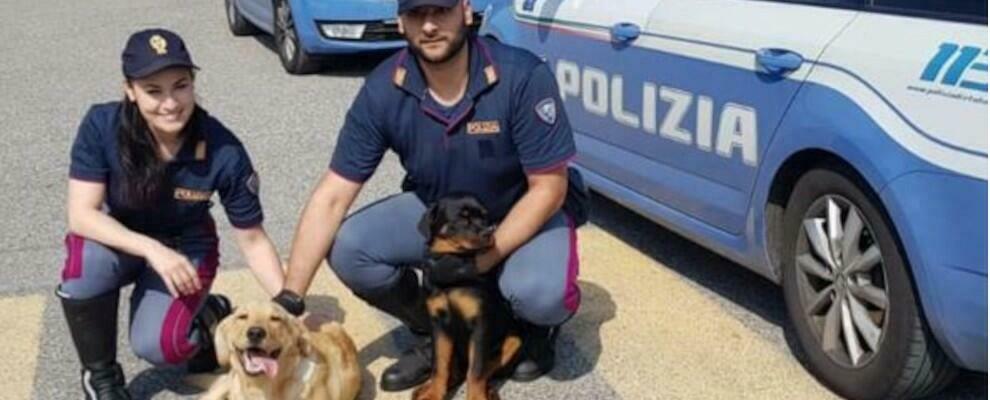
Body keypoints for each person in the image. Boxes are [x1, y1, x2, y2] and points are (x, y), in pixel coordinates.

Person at [272, 0, 589, 392]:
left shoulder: (521, 75)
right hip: (442, 210)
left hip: (523, 207)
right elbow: (332, 196)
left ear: (466, 11)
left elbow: (549, 188)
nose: (429, 26)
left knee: (539, 294)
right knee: (351, 247)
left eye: (440, 10)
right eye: (417, 14)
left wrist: (483, 261)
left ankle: (534, 329)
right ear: (401, 22)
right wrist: (289, 299)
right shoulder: (383, 88)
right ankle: (433, 331)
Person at [59, 28, 285, 400]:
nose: (170, 103)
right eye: (153, 90)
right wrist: (150, 248)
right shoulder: (102, 126)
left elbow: (253, 238)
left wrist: (291, 303)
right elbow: (82, 215)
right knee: (83, 270)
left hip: (186, 244)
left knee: (159, 348)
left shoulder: (223, 148)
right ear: (129, 90)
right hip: (123, 238)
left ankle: (209, 316)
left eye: (180, 86)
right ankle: (101, 378)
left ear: (193, 83)